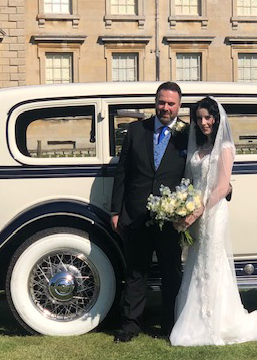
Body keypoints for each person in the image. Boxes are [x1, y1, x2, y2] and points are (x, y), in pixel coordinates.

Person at [169, 97, 257, 346]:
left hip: (213, 211)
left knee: (213, 261)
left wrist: (198, 209)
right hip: (195, 209)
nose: (204, 122)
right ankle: (193, 317)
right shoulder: (197, 147)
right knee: (195, 261)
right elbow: (190, 180)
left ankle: (216, 320)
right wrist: (183, 208)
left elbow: (223, 186)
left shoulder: (224, 147)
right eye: (199, 118)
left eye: (208, 117)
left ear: (216, 118)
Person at [111, 82, 189, 343]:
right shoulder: (135, 130)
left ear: (179, 106)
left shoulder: (187, 135)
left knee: (171, 272)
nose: (165, 107)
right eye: (161, 102)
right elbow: (122, 172)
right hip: (135, 213)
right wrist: (115, 210)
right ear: (155, 102)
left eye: (171, 103)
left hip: (170, 219)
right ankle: (131, 324)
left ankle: (170, 323)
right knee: (135, 272)